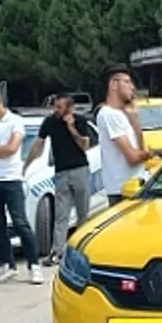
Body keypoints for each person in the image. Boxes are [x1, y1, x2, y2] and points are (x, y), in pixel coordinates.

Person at [0, 85, 43, 285]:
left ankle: (33, 265)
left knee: (20, 222)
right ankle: (8, 264)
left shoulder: (15, 122)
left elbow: (12, 149)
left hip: (11, 179)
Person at [25, 93, 93, 265]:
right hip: (61, 172)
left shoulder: (80, 121)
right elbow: (39, 144)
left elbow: (84, 145)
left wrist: (72, 128)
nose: (55, 110)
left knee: (82, 212)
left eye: (59, 107)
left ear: (69, 108)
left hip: (79, 169)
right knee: (61, 214)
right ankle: (57, 251)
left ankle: (81, 250)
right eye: (55, 106)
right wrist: (26, 165)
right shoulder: (50, 122)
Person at [97, 64, 153, 206]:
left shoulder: (124, 113)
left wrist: (135, 121)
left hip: (137, 184)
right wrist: (148, 154)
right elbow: (133, 157)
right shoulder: (108, 114)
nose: (132, 87)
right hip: (122, 191)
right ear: (114, 84)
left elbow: (139, 150)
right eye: (127, 82)